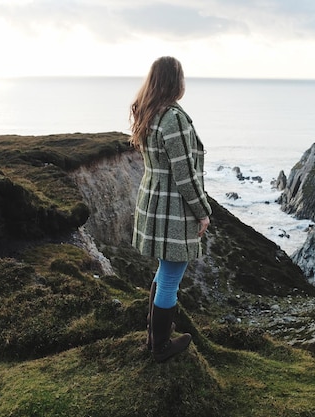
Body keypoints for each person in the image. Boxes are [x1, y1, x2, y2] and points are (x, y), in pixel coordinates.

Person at [129, 56, 212, 363]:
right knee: (172, 274)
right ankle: (161, 347)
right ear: (175, 81)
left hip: (154, 199)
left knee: (165, 270)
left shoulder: (148, 112)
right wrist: (203, 211)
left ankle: (154, 337)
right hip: (173, 207)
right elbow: (185, 174)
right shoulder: (173, 118)